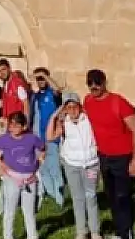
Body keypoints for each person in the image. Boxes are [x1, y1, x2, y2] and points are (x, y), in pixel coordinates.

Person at [82, 69, 135, 239]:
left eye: (97, 82)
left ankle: (127, 234)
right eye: (90, 83)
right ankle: (120, 231)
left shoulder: (119, 102)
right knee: (112, 196)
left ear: (104, 82)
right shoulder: (87, 101)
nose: (94, 87)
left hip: (123, 157)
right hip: (103, 156)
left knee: (123, 196)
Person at [47, 92, 101, 239]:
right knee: (78, 198)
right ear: (65, 109)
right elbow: (50, 137)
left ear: (79, 106)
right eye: (68, 107)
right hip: (72, 166)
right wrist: (55, 115)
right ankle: (81, 231)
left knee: (91, 196)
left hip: (91, 165)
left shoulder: (88, 120)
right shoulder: (63, 123)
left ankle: (95, 231)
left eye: (74, 106)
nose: (72, 110)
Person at [0, 112, 46, 239]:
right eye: (10, 124)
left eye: (16, 125)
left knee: (29, 212)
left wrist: (39, 163)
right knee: (10, 210)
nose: (12, 127)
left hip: (30, 179)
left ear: (24, 126)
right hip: (12, 179)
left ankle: (32, 236)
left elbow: (42, 149)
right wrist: (0, 163)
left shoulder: (32, 138)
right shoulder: (5, 139)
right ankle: (8, 236)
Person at [29, 67, 65, 209]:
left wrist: (44, 74)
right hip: (39, 136)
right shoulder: (35, 96)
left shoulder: (53, 94)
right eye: (39, 79)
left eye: (43, 78)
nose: (41, 81)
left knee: (54, 167)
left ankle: (60, 198)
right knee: (42, 169)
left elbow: (58, 90)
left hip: (52, 136)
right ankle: (49, 193)